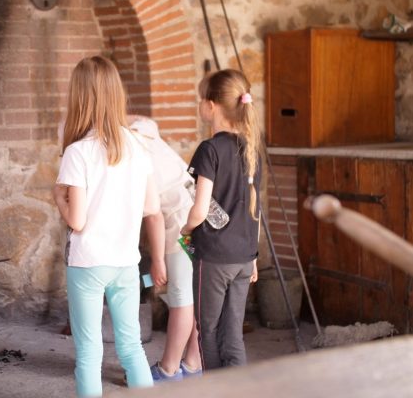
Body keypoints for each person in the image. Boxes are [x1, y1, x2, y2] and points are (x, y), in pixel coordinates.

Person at [52, 56, 164, 397]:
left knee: (88, 353)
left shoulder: (78, 152)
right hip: (126, 263)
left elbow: (78, 221)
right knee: (132, 348)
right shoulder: (139, 146)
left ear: (79, 97)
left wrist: (59, 198)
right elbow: (153, 209)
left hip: (88, 263)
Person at [181, 68, 262, 371]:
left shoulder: (210, 149)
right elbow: (255, 209)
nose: (199, 104)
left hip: (214, 259)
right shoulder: (252, 149)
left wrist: (186, 228)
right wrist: (254, 257)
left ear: (211, 105)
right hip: (243, 257)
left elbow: (200, 210)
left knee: (209, 333)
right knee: (233, 336)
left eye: (201, 99)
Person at [128, 116, 202, 383]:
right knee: (193, 296)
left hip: (181, 222)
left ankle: (168, 370)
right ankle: (194, 363)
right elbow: (145, 121)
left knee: (181, 298)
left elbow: (154, 214)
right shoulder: (143, 129)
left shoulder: (131, 146)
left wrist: (157, 259)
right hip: (199, 210)